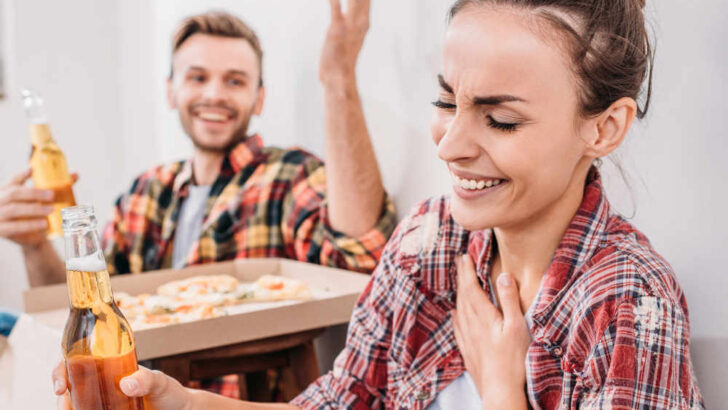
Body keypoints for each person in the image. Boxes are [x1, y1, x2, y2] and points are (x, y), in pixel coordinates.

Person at [54, 0, 705, 408]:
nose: (451, 145)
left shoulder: (627, 301)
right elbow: (341, 402)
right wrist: (184, 404)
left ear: (604, 128)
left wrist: (505, 395)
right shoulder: (428, 239)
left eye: (500, 120)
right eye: (447, 101)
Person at [0, 9, 395, 284]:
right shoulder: (143, 192)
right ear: (171, 91)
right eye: (197, 77)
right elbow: (87, 309)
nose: (214, 94)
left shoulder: (290, 175)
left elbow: (360, 258)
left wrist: (339, 79)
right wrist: (33, 245)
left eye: (235, 81)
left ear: (259, 99)